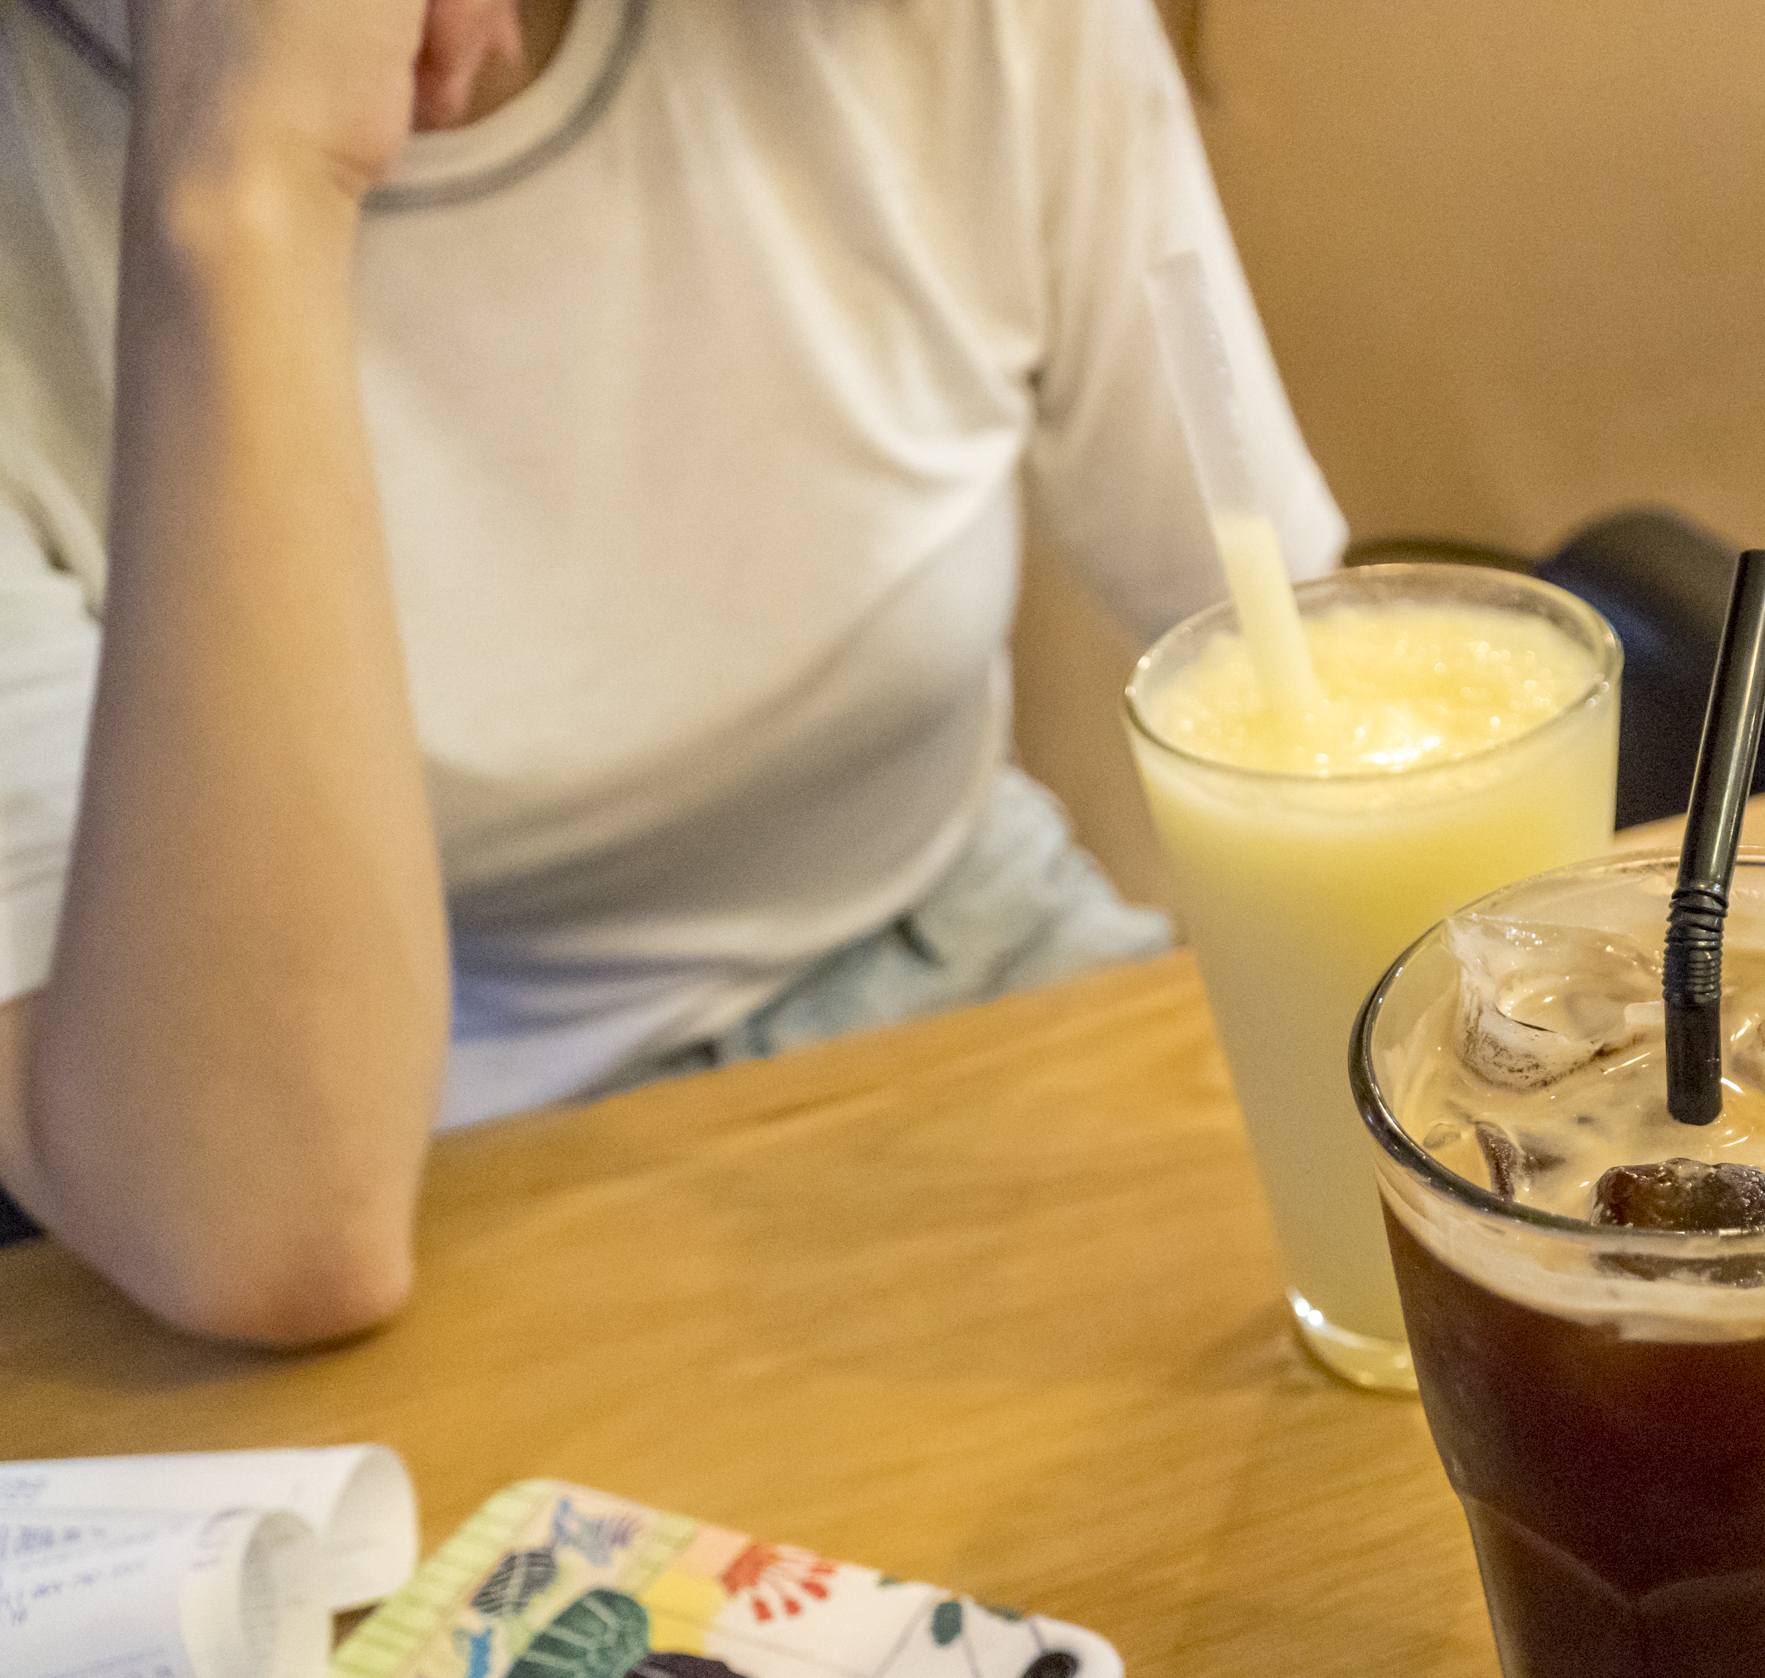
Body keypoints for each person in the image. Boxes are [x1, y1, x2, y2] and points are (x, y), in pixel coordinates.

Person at [0, 0, 1342, 1342]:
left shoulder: (964, 27)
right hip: (441, 1142)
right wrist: (248, 195)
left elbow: (1309, 678)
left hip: (985, 950)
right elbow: (268, 1227)